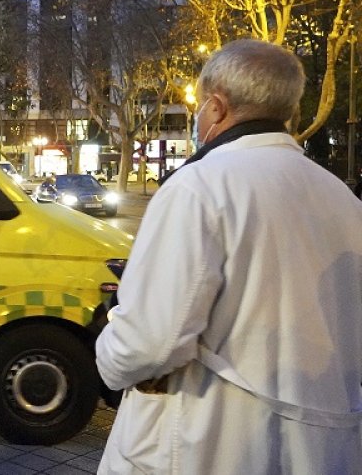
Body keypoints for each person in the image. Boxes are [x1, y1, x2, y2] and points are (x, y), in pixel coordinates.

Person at [96, 39, 362, 473]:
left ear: (216, 107)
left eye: (200, 106)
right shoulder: (342, 199)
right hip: (321, 447)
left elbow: (151, 339)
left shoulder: (198, 186)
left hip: (207, 443)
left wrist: (107, 351)